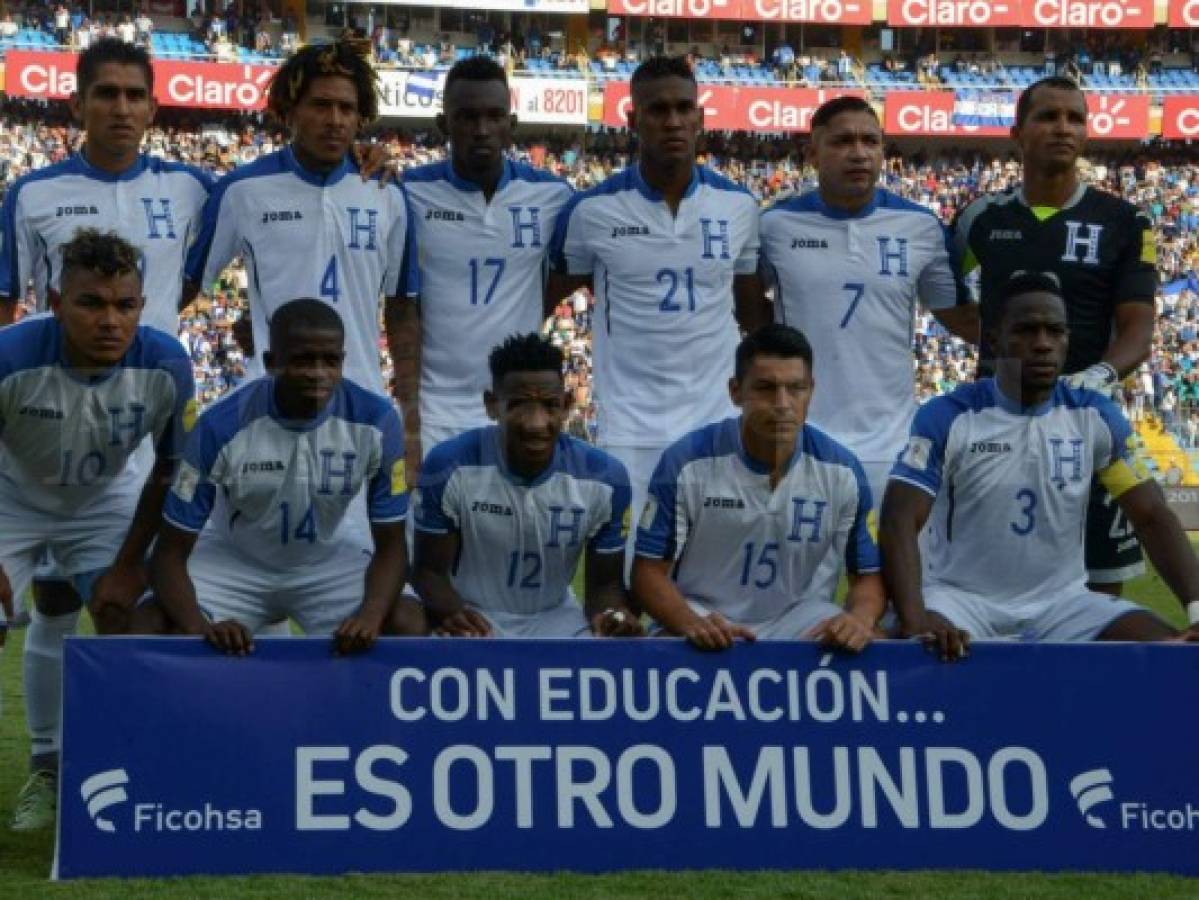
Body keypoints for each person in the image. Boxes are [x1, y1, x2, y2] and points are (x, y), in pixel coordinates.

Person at [880, 272, 1199, 660]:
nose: (1043, 344)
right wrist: (915, 618)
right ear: (994, 340)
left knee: (1173, 654)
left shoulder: (1093, 415)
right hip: (961, 600)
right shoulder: (950, 415)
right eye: (1027, 331)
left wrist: (1196, 609)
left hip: (1063, 605)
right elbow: (899, 518)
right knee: (918, 649)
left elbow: (1150, 515)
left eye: (1055, 331)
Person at [0, 230, 194, 829]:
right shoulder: (10, 355)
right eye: (91, 304)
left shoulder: (167, 364)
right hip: (12, 500)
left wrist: (131, 563)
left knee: (128, 617)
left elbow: (169, 472)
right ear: (55, 303)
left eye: (125, 306)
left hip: (106, 502)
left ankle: (118, 773)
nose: (111, 321)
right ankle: (47, 766)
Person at [549, 55, 769, 556]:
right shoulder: (592, 210)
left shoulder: (737, 207)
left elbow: (753, 315)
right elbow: (545, 298)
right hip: (631, 428)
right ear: (632, 120)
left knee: (712, 574)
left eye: (683, 108)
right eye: (657, 109)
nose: (672, 120)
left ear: (701, 118)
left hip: (716, 423)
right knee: (634, 575)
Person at [949, 76, 1157, 597]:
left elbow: (1138, 325)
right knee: (983, 583)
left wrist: (1097, 377)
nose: (1064, 128)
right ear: (1016, 133)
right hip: (997, 424)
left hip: (1088, 420)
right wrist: (998, 355)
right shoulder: (979, 219)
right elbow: (949, 303)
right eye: (1048, 117)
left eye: (1075, 118)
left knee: (1099, 590)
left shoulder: (1124, 221)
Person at [151, 299, 418, 655]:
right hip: (236, 559)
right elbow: (169, 553)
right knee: (152, 622)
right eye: (303, 360)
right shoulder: (219, 425)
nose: (317, 373)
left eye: (330, 361)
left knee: (406, 620)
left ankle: (347, 709)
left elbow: (392, 545)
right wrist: (198, 628)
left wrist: (370, 616)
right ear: (271, 363)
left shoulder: (377, 421)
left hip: (325, 558)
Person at [759, 96, 977, 504]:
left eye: (870, 141)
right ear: (812, 153)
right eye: (842, 141)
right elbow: (746, 305)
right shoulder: (774, 225)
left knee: (890, 568)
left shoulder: (920, 226)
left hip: (893, 444)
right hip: (798, 441)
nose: (858, 153)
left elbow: (960, 320)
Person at [185, 41, 418, 399]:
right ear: (290, 111)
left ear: (361, 117)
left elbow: (401, 307)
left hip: (360, 404)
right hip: (271, 399)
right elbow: (187, 286)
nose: (335, 120)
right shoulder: (241, 191)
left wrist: (409, 403)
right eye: (321, 105)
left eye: (346, 108)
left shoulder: (388, 193)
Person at [632, 324, 884, 651]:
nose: (782, 403)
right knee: (668, 643)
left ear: (812, 390)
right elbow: (647, 573)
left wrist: (860, 618)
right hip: (703, 612)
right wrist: (689, 622)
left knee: (871, 641)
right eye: (766, 388)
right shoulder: (686, 464)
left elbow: (868, 577)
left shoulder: (843, 472)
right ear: (736, 391)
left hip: (798, 619)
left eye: (796, 388)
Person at [394, 55, 573, 474]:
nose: (481, 129)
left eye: (494, 116)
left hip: (517, 414)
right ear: (443, 124)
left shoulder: (554, 197)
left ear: (512, 123)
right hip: (437, 414)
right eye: (467, 117)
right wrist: (411, 421)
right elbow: (400, 307)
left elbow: (569, 277)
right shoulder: (408, 194)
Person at [412, 333, 641, 638]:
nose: (536, 423)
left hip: (557, 619)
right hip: (473, 615)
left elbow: (605, 587)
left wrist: (610, 615)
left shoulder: (605, 479)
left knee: (611, 654)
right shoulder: (449, 466)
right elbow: (428, 573)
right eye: (519, 404)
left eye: (550, 405)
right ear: (492, 405)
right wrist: (454, 613)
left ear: (567, 405)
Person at [0, 39, 211, 333]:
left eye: (135, 96)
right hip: (63, 373)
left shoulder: (192, 187)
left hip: (154, 374)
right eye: (107, 94)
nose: (122, 109)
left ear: (151, 109)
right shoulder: (30, 194)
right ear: (77, 105)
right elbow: (5, 299)